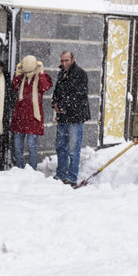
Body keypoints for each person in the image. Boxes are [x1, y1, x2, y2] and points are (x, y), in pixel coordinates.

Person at [52, 51, 91, 186]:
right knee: (60, 146)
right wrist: (55, 103)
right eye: (62, 61)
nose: (64, 63)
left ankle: (72, 177)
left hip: (76, 116)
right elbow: (57, 91)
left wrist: (64, 105)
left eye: (66, 60)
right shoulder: (61, 73)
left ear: (73, 59)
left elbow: (78, 94)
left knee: (73, 149)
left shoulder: (80, 74)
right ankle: (61, 173)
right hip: (62, 116)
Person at [9, 55, 53, 169]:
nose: (28, 72)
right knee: (18, 147)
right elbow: (14, 86)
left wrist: (41, 72)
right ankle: (19, 168)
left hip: (33, 118)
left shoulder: (40, 77)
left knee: (32, 147)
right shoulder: (21, 77)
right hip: (20, 117)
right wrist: (18, 73)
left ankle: (32, 171)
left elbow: (45, 87)